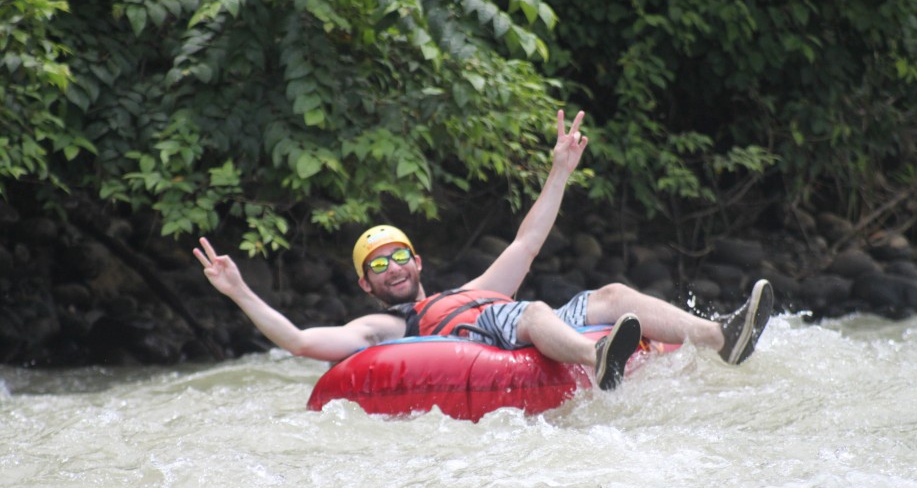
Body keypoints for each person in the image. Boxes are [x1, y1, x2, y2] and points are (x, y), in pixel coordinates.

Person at [194, 110, 773, 391]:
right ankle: (598, 359)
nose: (393, 267)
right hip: (489, 336)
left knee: (613, 293)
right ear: (366, 285)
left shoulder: (473, 291)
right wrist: (239, 290)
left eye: (399, 256)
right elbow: (300, 342)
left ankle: (722, 336)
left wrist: (560, 170)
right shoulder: (387, 326)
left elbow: (527, 240)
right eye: (378, 266)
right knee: (533, 310)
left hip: (505, 318)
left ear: (418, 262)